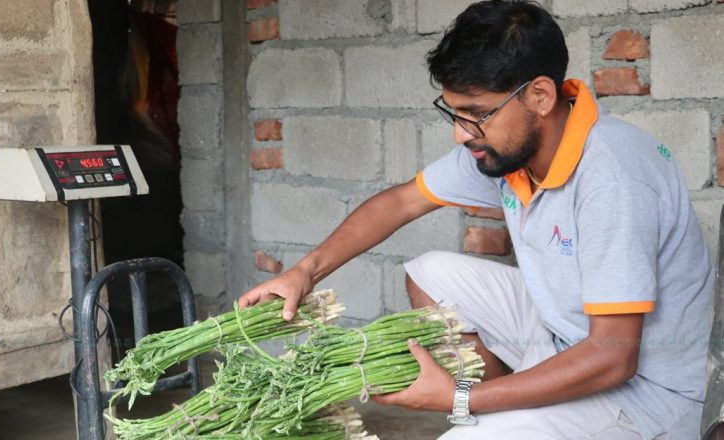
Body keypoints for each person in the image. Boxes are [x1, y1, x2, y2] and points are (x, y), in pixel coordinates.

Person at [238, 1, 713, 438]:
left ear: (541, 97)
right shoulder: (506, 147)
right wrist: (306, 271)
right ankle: (510, 410)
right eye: (455, 113)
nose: (460, 134)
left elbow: (614, 359)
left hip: (642, 394)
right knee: (430, 273)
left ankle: (497, 413)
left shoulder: (613, 176)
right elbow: (401, 202)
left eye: (476, 114)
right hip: (564, 337)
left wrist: (458, 397)